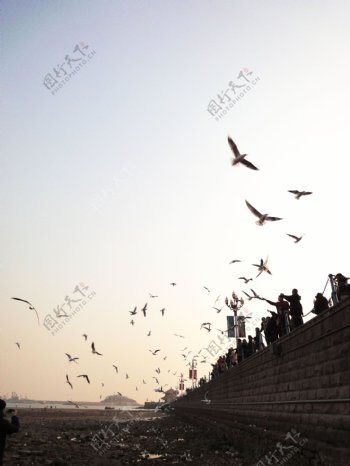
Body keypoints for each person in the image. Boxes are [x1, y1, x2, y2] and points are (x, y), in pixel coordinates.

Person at [0, 399, 19, 465]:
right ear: (3, 408)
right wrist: (14, 416)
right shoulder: (3, 423)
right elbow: (15, 429)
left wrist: (3, 414)